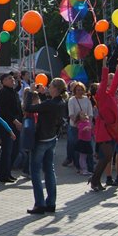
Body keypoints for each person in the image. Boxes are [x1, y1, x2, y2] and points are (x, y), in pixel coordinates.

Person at [22, 78, 67, 214]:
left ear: (56, 89)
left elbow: (28, 108)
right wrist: (41, 93)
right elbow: (46, 106)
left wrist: (30, 92)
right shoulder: (61, 102)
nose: (48, 87)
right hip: (52, 138)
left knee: (35, 171)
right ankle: (51, 202)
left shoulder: (50, 104)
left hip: (42, 139)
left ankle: (40, 204)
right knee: (49, 170)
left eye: (51, 86)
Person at [90, 55, 118, 191]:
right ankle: (94, 180)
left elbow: (116, 80)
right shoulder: (101, 96)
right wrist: (104, 63)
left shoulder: (110, 94)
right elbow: (104, 80)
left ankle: (95, 180)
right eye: (99, 86)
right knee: (107, 156)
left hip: (111, 128)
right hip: (103, 129)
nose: (102, 86)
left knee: (107, 156)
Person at [0, 72, 23, 184]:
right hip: (7, 124)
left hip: (16, 122)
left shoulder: (13, 92)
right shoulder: (2, 93)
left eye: (12, 78)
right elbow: (3, 110)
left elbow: (18, 107)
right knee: (7, 150)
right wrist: (14, 120)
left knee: (14, 149)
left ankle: (8, 173)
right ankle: (3, 175)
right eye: (9, 78)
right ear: (4, 82)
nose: (12, 80)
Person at [66, 82, 93, 173]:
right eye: (78, 90)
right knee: (77, 146)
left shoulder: (87, 100)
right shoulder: (72, 100)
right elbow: (71, 114)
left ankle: (90, 167)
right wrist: (79, 125)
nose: (80, 91)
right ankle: (78, 166)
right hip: (75, 127)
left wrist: (88, 124)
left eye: (81, 89)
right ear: (74, 91)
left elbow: (90, 113)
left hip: (87, 128)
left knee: (88, 147)